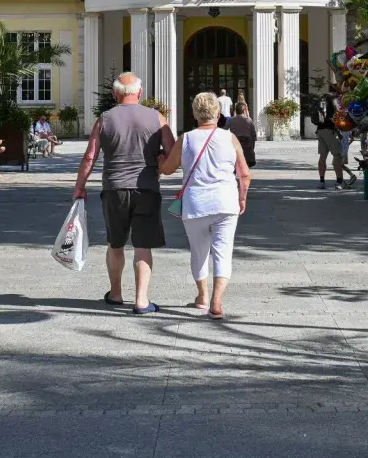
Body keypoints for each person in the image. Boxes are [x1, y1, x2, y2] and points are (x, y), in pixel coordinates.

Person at [73, 72, 175, 315]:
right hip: (147, 188)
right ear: (140, 93)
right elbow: (173, 154)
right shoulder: (157, 118)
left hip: (114, 189)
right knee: (143, 246)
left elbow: (90, 156)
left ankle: (116, 294)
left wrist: (80, 186)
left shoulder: (105, 119)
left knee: (115, 243)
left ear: (115, 94)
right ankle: (141, 301)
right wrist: (161, 163)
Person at [159, 92, 250, 320]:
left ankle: (202, 295)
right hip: (226, 202)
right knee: (223, 252)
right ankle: (216, 302)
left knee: (199, 251)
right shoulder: (230, 138)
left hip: (195, 203)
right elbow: (244, 173)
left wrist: (160, 161)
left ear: (194, 114)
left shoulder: (186, 139)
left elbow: (168, 169)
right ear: (218, 114)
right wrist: (242, 197)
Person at [311, 84, 346, 189]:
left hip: (320, 129)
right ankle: (339, 182)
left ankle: (321, 182)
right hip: (330, 130)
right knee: (337, 155)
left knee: (322, 157)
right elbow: (338, 113)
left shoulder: (322, 97)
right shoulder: (334, 98)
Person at [226, 102, 256, 168]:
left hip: (235, 143)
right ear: (244, 110)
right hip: (246, 144)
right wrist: (252, 147)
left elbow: (224, 130)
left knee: (234, 164)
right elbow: (253, 135)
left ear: (236, 110)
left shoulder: (231, 120)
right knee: (246, 165)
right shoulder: (249, 120)